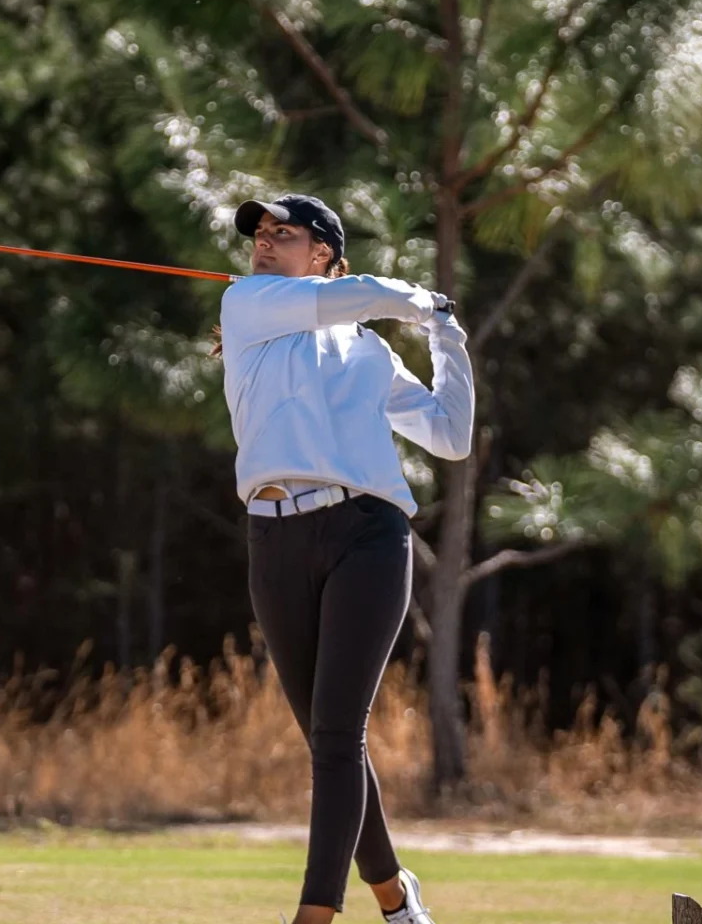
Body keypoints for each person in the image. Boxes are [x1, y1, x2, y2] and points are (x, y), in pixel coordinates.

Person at [218, 194, 474, 924]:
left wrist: (447, 337)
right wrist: (419, 299)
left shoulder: (367, 347)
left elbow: (448, 434)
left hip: (366, 534)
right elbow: (366, 296)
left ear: (324, 254)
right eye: (260, 235)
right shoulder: (248, 306)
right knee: (327, 742)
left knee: (336, 734)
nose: (263, 244)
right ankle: (397, 899)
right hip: (272, 538)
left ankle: (314, 917)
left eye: (283, 235)